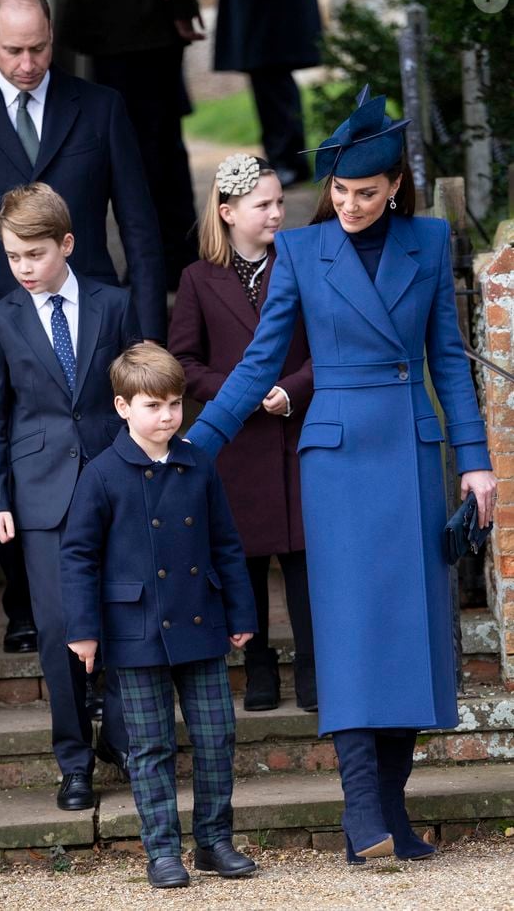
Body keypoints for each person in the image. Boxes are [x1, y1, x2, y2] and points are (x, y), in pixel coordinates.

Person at [185, 86, 497, 863]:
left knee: (411, 633)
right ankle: (362, 812)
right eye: (338, 190)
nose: (349, 204)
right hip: (335, 461)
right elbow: (261, 360)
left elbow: (449, 362)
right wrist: (196, 443)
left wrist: (480, 464)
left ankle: (393, 809)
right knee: (353, 633)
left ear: (394, 187)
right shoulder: (300, 251)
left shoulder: (427, 241)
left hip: (411, 452)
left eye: (365, 192)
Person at [0, 0, 166, 654]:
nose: (27, 63)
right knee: (10, 449)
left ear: (52, 39)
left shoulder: (101, 108)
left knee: (94, 451)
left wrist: (146, 331)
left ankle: (103, 593)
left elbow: (141, 228)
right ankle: (26, 603)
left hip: (95, 324)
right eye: (13, 51)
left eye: (38, 48)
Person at [60, 344, 258, 889]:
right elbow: (78, 555)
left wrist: (240, 611)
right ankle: (163, 852)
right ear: (123, 407)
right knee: (150, 747)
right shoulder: (101, 474)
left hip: (201, 620)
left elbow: (226, 543)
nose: (167, 416)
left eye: (174, 404)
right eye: (153, 406)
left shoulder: (199, 465)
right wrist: (82, 630)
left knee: (217, 736)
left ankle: (215, 841)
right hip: (135, 628)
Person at [0, 182, 140, 809]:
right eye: (13, 258)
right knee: (58, 629)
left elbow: (138, 388)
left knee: (126, 612)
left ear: (66, 244)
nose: (24, 269)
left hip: (113, 481)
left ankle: (122, 739)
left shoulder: (113, 304)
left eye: (35, 255)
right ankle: (73, 761)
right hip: (39, 497)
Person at [169, 153, 316, 712]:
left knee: (304, 560)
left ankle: (312, 668)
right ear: (228, 212)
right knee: (243, 562)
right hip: (236, 445)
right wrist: (240, 390)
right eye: (264, 205)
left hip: (296, 432)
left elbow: (327, 346)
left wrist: (292, 389)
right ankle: (258, 668)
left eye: (280, 202)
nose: (278, 213)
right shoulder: (198, 280)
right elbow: (183, 361)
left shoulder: (301, 262)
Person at [58, 0, 204, 291]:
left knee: (145, 151)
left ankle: (162, 263)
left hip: (137, 24)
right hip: (120, 22)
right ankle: (173, 259)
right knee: (153, 148)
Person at [214, 0, 322, 187]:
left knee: (273, 79)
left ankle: (288, 161)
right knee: (269, 79)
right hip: (262, 1)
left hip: (269, 4)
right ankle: (286, 160)